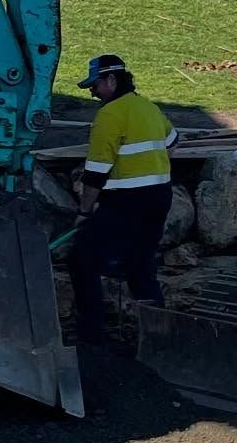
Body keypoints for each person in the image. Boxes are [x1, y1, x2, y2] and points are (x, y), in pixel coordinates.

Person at [68, 53, 177, 345]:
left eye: (95, 85)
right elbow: (173, 142)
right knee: (141, 266)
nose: (92, 91)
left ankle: (91, 337)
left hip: (126, 202)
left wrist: (84, 211)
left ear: (112, 80)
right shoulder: (149, 108)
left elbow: (95, 173)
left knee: (81, 260)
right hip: (159, 198)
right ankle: (158, 337)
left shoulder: (109, 115)